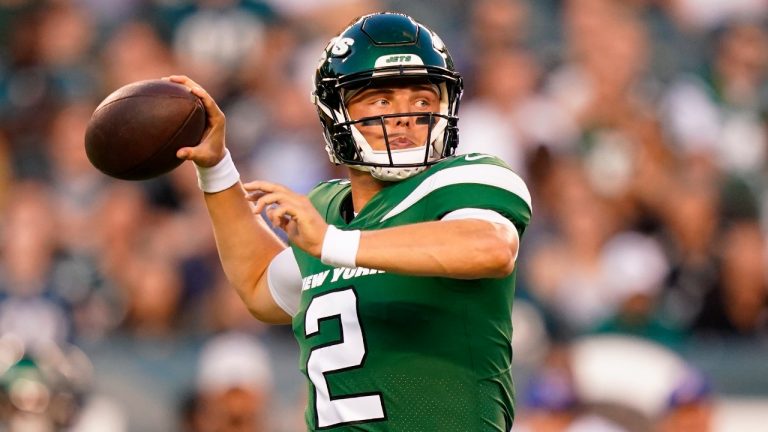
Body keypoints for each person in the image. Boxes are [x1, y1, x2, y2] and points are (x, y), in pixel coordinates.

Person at [167, 12, 532, 431]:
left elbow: (491, 247)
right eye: (381, 100)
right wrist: (216, 168)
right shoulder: (326, 210)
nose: (405, 116)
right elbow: (257, 284)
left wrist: (335, 244)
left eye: (422, 100)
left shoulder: (462, 179)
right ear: (335, 112)